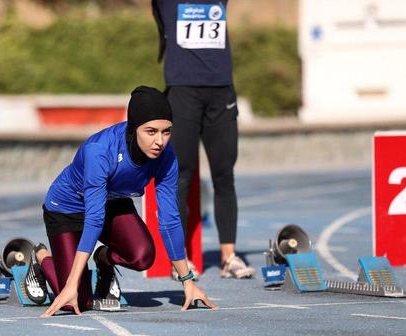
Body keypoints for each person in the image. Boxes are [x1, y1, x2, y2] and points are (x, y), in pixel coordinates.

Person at [36, 86, 217, 317]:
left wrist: (187, 281)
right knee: (76, 300)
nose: (160, 141)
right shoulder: (99, 151)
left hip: (113, 202)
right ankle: (41, 256)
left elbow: (170, 220)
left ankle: (103, 258)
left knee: (143, 256)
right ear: (133, 129)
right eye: (151, 131)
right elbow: (94, 218)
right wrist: (71, 285)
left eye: (166, 131)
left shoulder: (166, 158)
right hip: (67, 210)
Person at [152, 0, 255, 279]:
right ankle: (180, 260)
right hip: (182, 91)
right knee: (181, 175)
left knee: (224, 175)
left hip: (221, 92)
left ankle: (229, 258)